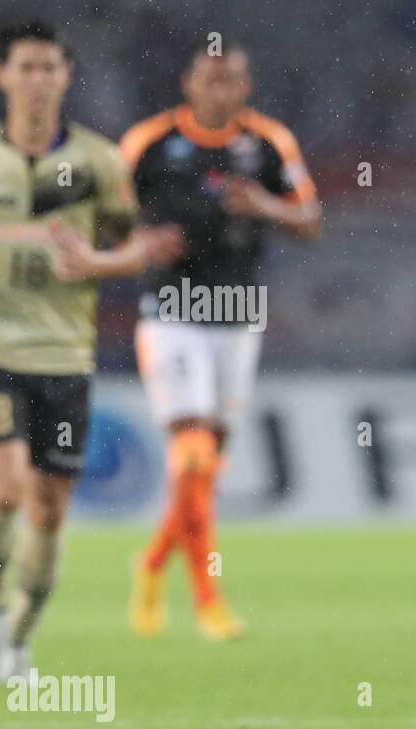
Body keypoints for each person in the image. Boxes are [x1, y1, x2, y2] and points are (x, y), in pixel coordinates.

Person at [0, 22, 147, 683]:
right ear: (2, 75)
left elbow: (135, 245)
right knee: (6, 488)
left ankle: (18, 633)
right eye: (26, 67)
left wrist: (99, 260)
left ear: (66, 75)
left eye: (50, 67)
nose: (38, 79)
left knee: (49, 507)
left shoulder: (99, 161)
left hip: (65, 354)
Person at [121, 41, 322, 641]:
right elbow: (103, 214)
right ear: (190, 82)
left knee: (205, 471)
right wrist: (140, 245)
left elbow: (310, 219)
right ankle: (209, 599)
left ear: (246, 85)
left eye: (233, 80)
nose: (222, 90)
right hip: (171, 314)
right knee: (193, 454)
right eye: (212, 79)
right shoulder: (150, 143)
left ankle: (152, 562)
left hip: (238, 317)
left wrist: (265, 205)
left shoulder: (266, 143)